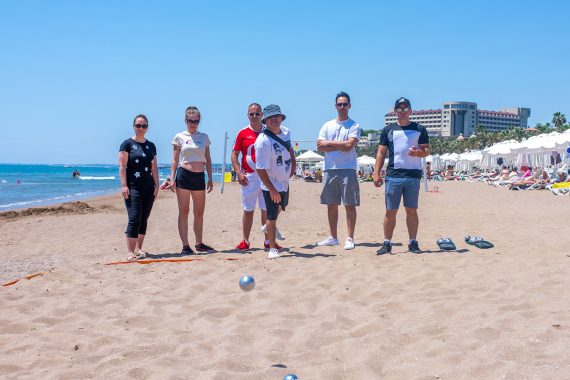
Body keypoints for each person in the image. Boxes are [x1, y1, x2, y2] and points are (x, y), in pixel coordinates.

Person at [373, 97, 430, 255]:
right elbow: (381, 152)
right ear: (395, 111)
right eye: (400, 109)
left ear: (410, 111)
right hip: (394, 176)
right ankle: (387, 243)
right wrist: (376, 173)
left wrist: (418, 152)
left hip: (413, 176)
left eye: (406, 109)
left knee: (411, 210)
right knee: (390, 211)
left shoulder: (419, 129)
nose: (403, 112)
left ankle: (412, 242)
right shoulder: (388, 130)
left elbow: (426, 151)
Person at [316, 91, 361, 250]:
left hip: (348, 168)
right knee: (331, 204)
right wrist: (339, 145)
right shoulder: (327, 125)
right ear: (335, 106)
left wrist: (330, 144)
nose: (342, 107)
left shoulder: (354, 125)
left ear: (349, 106)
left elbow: (349, 146)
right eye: (339, 104)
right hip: (330, 169)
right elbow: (320, 146)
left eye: (345, 104)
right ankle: (333, 237)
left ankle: (350, 237)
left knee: (350, 204)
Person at [166, 106, 214, 254]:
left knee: (199, 212)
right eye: (190, 121)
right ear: (185, 120)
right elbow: (174, 160)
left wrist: (210, 178)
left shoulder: (204, 137)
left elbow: (208, 159)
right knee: (184, 211)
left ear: (199, 121)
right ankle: (185, 245)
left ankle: (199, 243)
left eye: (196, 121)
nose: (193, 123)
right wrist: (172, 179)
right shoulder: (179, 137)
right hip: (184, 176)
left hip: (199, 177)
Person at [231, 103, 277, 251]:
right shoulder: (242, 133)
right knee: (248, 210)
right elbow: (234, 154)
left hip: (266, 177)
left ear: (262, 115)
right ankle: (245, 240)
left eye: (257, 114)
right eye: (252, 114)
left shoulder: (268, 132)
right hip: (249, 177)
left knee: (266, 210)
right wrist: (238, 172)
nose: (255, 116)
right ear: (247, 115)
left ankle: (268, 241)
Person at [254, 104, 296, 259]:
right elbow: (260, 169)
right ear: (265, 120)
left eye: (276, 117)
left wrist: (294, 163)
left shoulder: (286, 132)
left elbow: (289, 148)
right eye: (270, 118)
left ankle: (267, 227)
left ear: (281, 118)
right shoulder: (263, 141)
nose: (274, 120)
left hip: (284, 180)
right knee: (272, 216)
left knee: (282, 206)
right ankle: (272, 248)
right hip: (270, 182)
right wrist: (271, 189)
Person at [118, 114, 159, 261]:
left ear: (147, 127)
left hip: (148, 187)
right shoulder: (126, 144)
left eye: (144, 126)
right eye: (138, 125)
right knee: (134, 218)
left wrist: (157, 185)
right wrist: (124, 186)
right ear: (133, 126)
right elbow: (122, 166)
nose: (141, 128)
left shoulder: (151, 146)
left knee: (144, 218)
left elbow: (154, 168)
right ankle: (130, 252)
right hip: (132, 187)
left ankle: (139, 248)